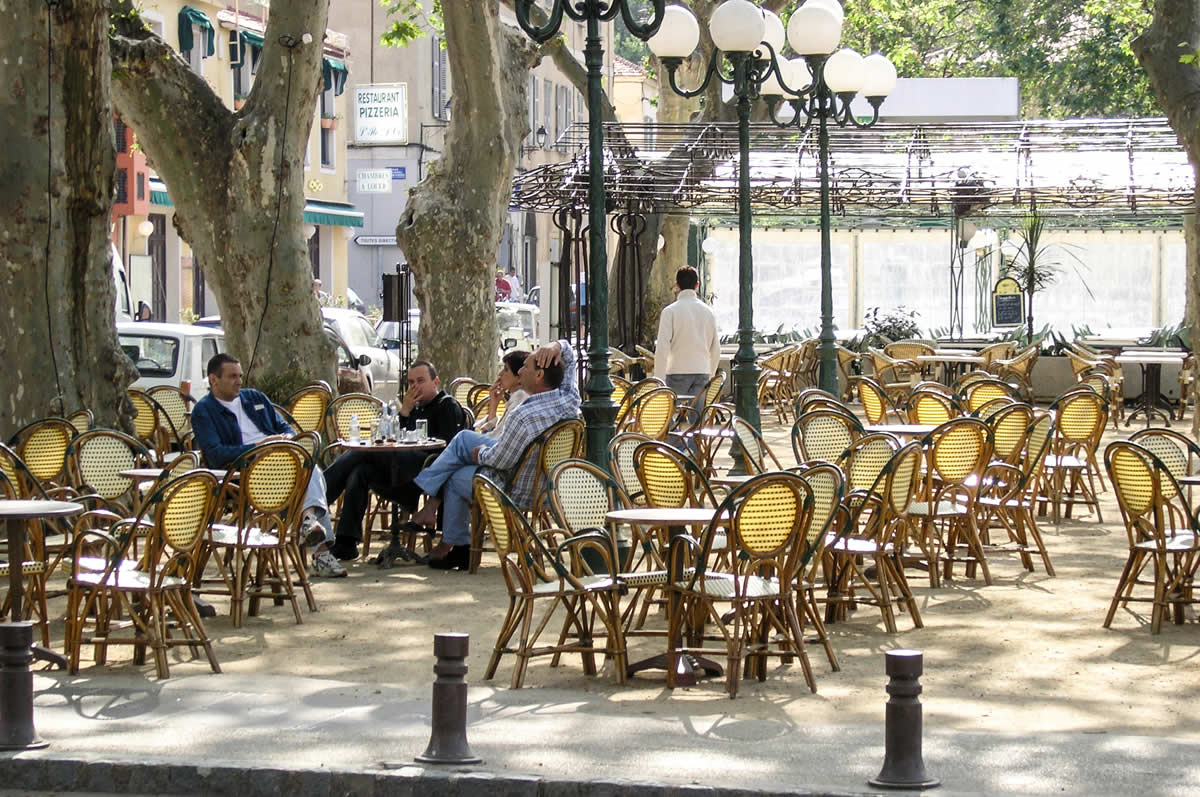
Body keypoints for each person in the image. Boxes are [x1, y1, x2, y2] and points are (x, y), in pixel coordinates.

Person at [407, 340, 578, 570]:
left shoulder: (525, 415)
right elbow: (571, 359)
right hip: (547, 486)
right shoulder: (567, 399)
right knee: (461, 448)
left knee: (457, 467)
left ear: (538, 375)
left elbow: (501, 460)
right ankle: (445, 532)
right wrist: (557, 346)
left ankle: (455, 542)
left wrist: (481, 454)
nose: (519, 372)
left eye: (524, 368)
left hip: (514, 488)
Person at [191, 353, 347, 578]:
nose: (239, 381)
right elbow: (216, 454)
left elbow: (286, 427)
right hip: (242, 473)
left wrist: (284, 438)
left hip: (280, 461)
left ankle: (309, 522)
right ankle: (319, 548)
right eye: (232, 376)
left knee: (307, 464)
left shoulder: (254, 397)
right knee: (307, 469)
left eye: (240, 376)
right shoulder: (204, 410)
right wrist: (257, 447)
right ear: (213, 380)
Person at [322, 361, 466, 561]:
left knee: (363, 452)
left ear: (435, 382)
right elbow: (395, 436)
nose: (415, 386)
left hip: (425, 475)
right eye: (410, 382)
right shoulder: (414, 408)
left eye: (421, 381)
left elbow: (451, 450)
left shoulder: (446, 405)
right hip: (397, 471)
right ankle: (346, 542)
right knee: (360, 471)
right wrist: (405, 411)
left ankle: (318, 497)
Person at [653, 265, 720, 400]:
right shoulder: (708, 312)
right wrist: (710, 374)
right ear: (697, 285)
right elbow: (716, 349)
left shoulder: (669, 312)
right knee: (699, 417)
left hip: (676, 371)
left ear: (677, 286)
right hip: (702, 371)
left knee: (670, 416)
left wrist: (659, 379)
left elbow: (662, 348)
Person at [473, 350, 529, 436]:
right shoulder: (515, 398)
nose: (500, 374)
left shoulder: (520, 399)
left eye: (506, 370)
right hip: (494, 445)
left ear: (519, 376)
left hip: (497, 447)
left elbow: (496, 438)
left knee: (463, 437)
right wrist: (493, 405)